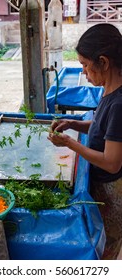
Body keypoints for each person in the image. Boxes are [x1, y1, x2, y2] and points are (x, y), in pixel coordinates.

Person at [48, 23, 122, 260]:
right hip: (103, 183)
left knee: (106, 247)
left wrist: (71, 144)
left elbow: (112, 163)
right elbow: (104, 129)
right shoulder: (108, 90)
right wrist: (73, 125)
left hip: (112, 189)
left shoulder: (119, 103)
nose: (85, 73)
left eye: (86, 66)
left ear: (104, 62)